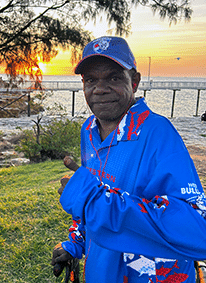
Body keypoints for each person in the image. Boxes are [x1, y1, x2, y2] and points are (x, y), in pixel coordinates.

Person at [51, 36, 206, 282]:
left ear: (134, 82)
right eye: (91, 80)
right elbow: (90, 202)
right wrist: (75, 244)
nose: (100, 89)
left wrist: (96, 202)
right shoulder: (88, 130)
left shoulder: (157, 133)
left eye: (114, 77)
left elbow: (198, 230)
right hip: (100, 273)